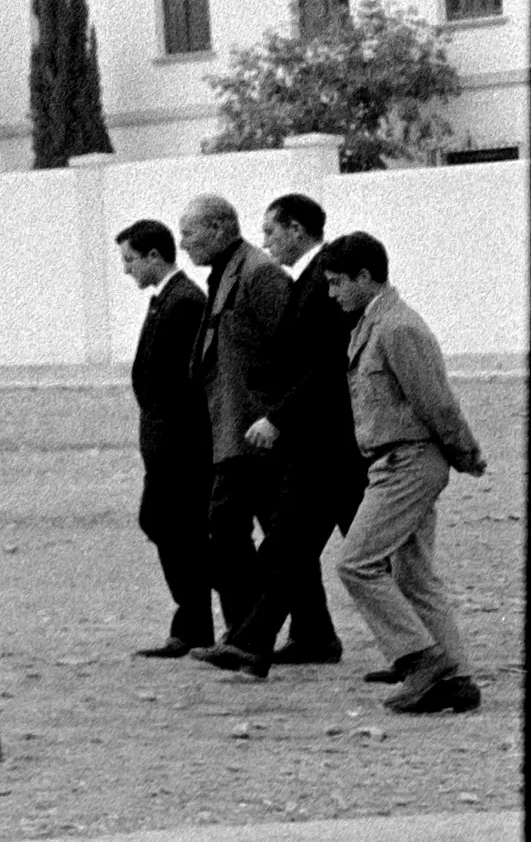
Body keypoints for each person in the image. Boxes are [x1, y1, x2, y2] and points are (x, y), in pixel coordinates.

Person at [318, 234, 490, 715]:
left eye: (337, 283)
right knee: (415, 577)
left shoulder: (396, 328)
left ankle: (421, 659)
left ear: (366, 277)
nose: (333, 294)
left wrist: (465, 452)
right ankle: (455, 678)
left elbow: (435, 400)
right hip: (396, 461)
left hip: (408, 461)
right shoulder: (373, 324)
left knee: (356, 562)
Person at [177, 193, 305, 678]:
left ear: (216, 229)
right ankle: (311, 632)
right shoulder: (229, 272)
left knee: (227, 528)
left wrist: (277, 417)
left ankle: (246, 633)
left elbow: (295, 349)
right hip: (238, 429)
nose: (183, 243)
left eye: (189, 233)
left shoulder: (257, 273)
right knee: (281, 532)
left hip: (256, 432)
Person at [250, 193, 359, 665]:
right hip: (321, 440)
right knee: (291, 544)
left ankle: (426, 651)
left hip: (329, 439)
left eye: (271, 230)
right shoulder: (309, 279)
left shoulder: (324, 281)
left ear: (297, 230)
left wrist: (278, 416)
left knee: (373, 557)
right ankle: (255, 642)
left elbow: (327, 366)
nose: (266, 241)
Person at [118, 219, 216, 660]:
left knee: (178, 529)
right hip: (165, 441)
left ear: (154, 257)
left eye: (130, 260)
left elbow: (186, 381)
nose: (127, 270)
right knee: (166, 525)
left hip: (180, 444)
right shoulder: (170, 300)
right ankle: (194, 622)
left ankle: (198, 624)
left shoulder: (184, 302)